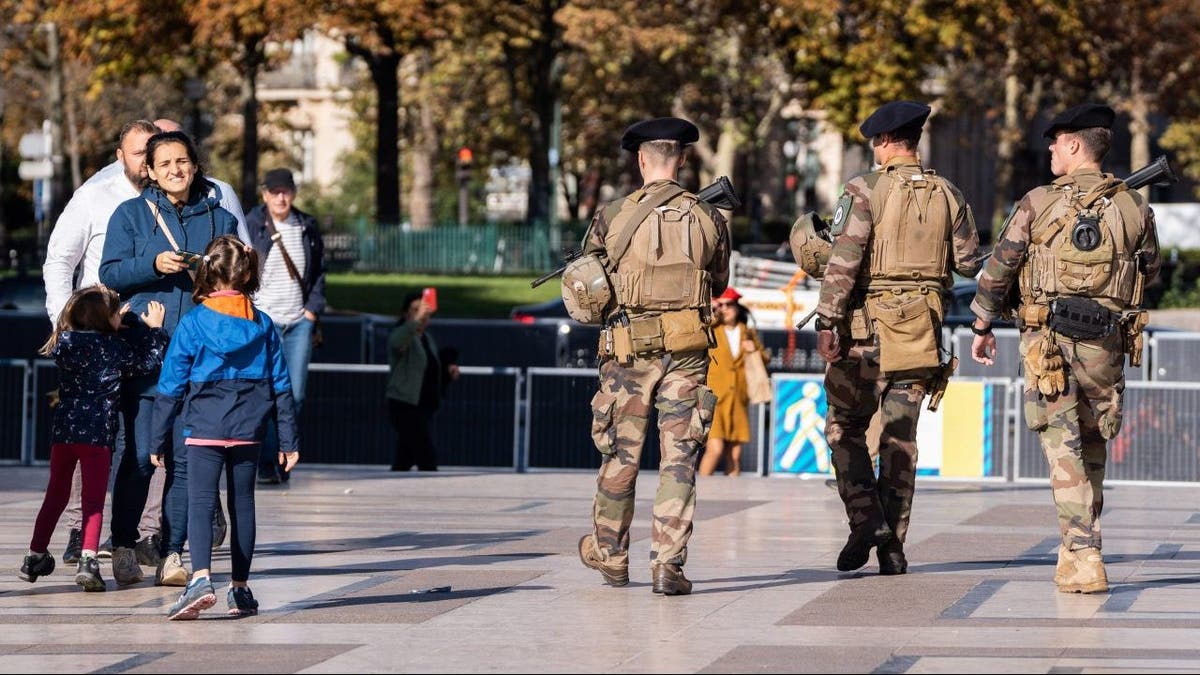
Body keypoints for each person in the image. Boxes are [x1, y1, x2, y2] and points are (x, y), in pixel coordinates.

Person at [969, 103, 1160, 594]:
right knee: (1092, 445)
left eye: (1056, 141)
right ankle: (1073, 551)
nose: (1050, 148)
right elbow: (1151, 272)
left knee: (1062, 447)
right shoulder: (1135, 206)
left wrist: (983, 321)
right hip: (1108, 342)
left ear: (1076, 145)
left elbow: (999, 270)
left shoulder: (1037, 202)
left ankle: (1084, 551)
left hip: (1047, 344)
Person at [814, 101, 983, 575]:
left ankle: (867, 521)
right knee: (900, 441)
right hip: (920, 335)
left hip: (866, 335)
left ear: (885, 142)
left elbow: (844, 260)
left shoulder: (865, 190)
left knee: (844, 428)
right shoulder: (948, 193)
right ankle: (893, 548)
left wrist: (827, 321)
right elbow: (970, 262)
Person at [576, 117, 729, 596]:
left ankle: (612, 555)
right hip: (686, 352)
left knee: (621, 457)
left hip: (628, 353)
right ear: (681, 159)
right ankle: (668, 563)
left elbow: (590, 289)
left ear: (641, 159)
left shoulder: (612, 216)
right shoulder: (710, 218)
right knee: (679, 460)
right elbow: (719, 283)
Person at [99, 130, 240, 588]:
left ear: (195, 165)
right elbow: (110, 275)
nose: (175, 170)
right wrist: (153, 264)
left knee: (183, 460)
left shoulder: (219, 219)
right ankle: (122, 543)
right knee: (140, 456)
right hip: (145, 355)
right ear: (151, 171)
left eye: (183, 161)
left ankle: (172, 551)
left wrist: (208, 270)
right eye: (165, 164)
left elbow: (238, 277)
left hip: (200, 357)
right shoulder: (131, 214)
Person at [150, 235, 299, 620]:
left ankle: (200, 579)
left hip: (203, 425)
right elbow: (282, 385)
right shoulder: (263, 325)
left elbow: (170, 385)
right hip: (250, 428)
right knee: (243, 503)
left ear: (209, 273)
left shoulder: (194, 322)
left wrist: (157, 437)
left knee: (200, 501)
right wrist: (288, 440)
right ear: (246, 274)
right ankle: (241, 589)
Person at [18, 287, 167, 592]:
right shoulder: (111, 348)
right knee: (94, 501)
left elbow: (89, 334)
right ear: (106, 319)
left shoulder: (64, 342)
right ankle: (88, 560)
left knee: (55, 494)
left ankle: (34, 554)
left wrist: (109, 320)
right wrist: (156, 331)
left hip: (65, 434)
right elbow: (147, 362)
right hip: (97, 435)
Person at [246, 168, 327, 484]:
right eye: (274, 191)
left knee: (294, 394)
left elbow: (319, 271)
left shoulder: (306, 226)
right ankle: (267, 462)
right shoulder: (253, 225)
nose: (281, 197)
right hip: (264, 322)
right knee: (266, 393)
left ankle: (283, 456)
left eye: (286, 191)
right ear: (265, 194)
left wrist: (311, 311)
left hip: (298, 323)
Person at [385, 292, 459, 471]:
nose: (421, 315)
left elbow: (430, 369)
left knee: (404, 457)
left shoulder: (426, 339)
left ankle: (395, 489)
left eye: (423, 311)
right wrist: (414, 322)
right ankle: (431, 491)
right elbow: (395, 342)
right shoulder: (405, 336)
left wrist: (448, 371)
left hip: (422, 406)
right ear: (406, 314)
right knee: (426, 457)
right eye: (415, 310)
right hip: (405, 405)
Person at [699, 287, 767, 477]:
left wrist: (754, 349)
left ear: (737, 307)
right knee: (715, 449)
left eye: (729, 304)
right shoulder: (712, 330)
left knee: (735, 455)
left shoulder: (747, 332)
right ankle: (702, 493)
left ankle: (731, 494)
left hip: (738, 398)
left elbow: (764, 359)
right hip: (715, 399)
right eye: (722, 305)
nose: (725, 309)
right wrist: (711, 307)